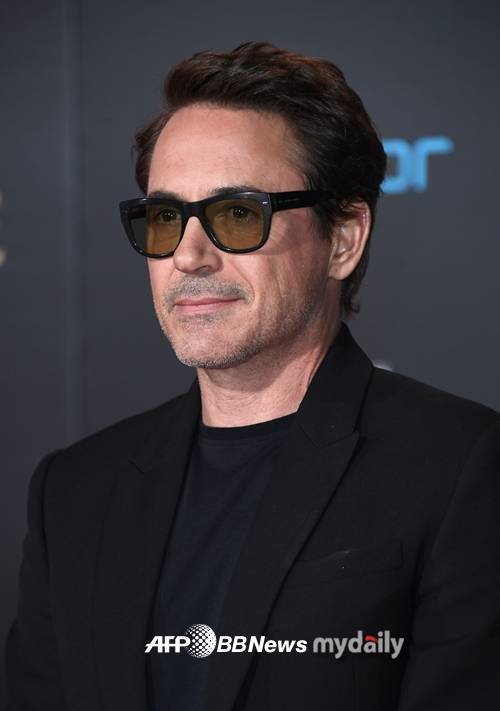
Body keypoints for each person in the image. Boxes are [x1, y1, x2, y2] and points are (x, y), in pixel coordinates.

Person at [5, 41, 500, 711]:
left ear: (343, 238)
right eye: (165, 217)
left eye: (238, 214)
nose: (188, 255)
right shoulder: (73, 490)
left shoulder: (460, 467)